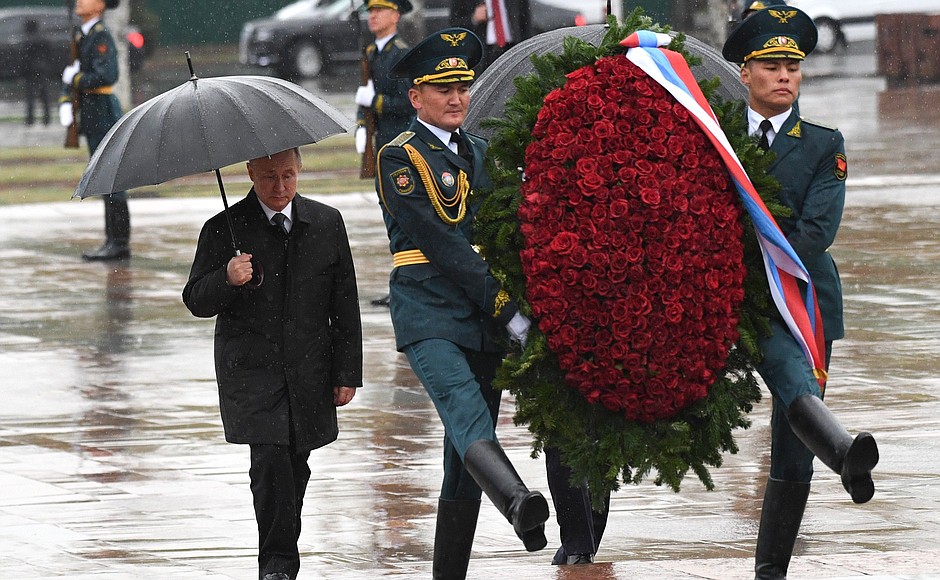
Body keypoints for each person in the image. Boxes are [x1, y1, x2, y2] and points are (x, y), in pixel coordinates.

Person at [376, 28, 549, 578]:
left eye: (463, 87)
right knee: (465, 412)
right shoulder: (398, 157)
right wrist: (507, 308)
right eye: (442, 88)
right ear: (415, 96)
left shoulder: (480, 153)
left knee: (461, 460)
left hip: (481, 320)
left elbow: (505, 230)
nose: (456, 98)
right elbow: (443, 243)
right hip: (430, 311)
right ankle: (519, 501)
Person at [723, 8, 879, 579]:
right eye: (771, 66)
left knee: (790, 442)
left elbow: (816, 233)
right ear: (745, 72)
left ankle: (771, 572)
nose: (784, 76)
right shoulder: (715, 138)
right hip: (729, 298)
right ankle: (841, 450)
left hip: (801, 301)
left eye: (793, 66)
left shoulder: (821, 145)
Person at [182, 148, 362, 580]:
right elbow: (195, 299)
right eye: (267, 178)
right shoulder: (224, 228)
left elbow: (345, 302)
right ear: (249, 173)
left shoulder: (325, 223)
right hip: (252, 372)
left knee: (294, 466)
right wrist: (226, 277)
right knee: (270, 463)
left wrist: (347, 373)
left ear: (299, 170)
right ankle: (278, 565)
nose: (279, 188)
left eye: (287, 176)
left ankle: (281, 546)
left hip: (309, 370)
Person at [353, 0, 416, 307]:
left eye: (379, 10)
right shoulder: (371, 54)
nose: (372, 16)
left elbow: (407, 103)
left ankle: (407, 283)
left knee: (403, 217)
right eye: (370, 11)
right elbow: (362, 96)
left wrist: (374, 100)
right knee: (390, 216)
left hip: (399, 147)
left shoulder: (401, 54)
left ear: (396, 15)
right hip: (380, 147)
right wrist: (360, 126)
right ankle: (400, 283)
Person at [59, 0, 130, 261]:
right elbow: (75, 70)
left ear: (100, 5)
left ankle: (119, 241)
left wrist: (75, 79)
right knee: (102, 177)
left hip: (103, 111)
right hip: (90, 112)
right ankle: (112, 239)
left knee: (113, 177)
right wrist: (66, 99)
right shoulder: (82, 35)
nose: (79, 1)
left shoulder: (101, 35)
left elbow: (107, 75)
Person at [449, 0, 530, 71]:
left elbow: (525, 22)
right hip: (482, 53)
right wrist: (474, 18)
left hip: (512, 48)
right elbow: (454, 23)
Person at [22, 19, 52, 126]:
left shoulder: (27, 40)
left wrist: (23, 71)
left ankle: (30, 119)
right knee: (44, 95)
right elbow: (49, 53)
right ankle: (47, 118)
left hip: (31, 71)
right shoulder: (43, 39)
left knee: (30, 96)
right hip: (42, 69)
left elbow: (24, 58)